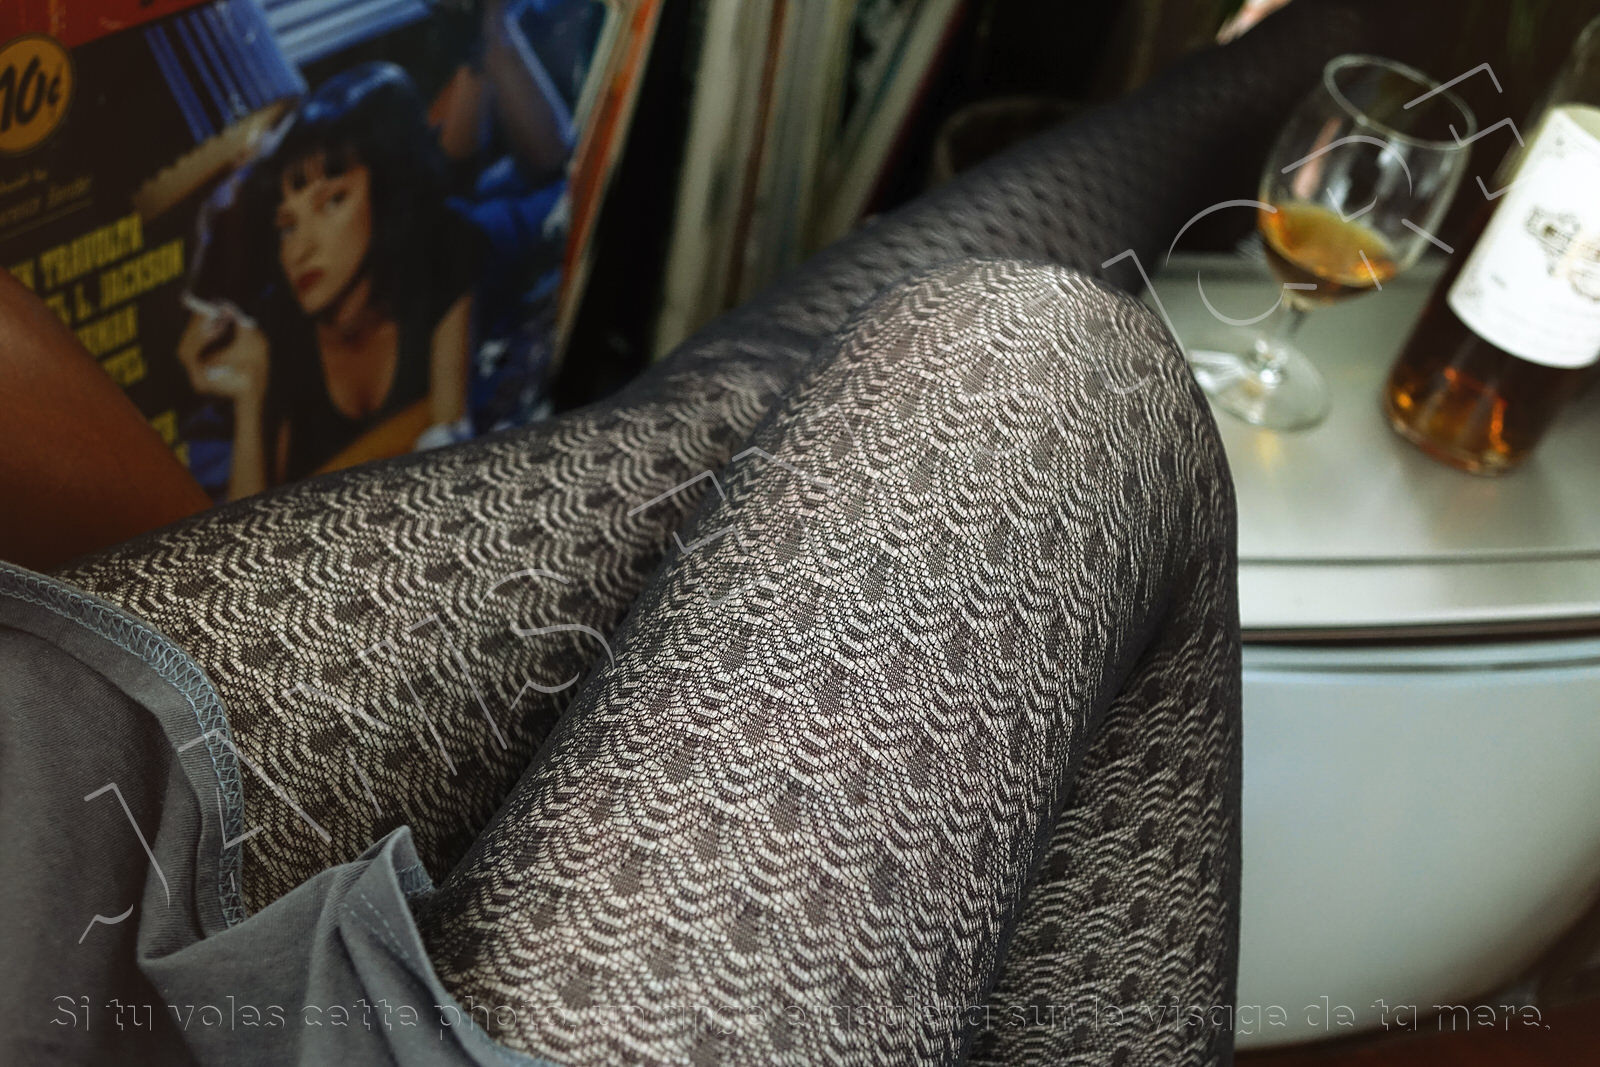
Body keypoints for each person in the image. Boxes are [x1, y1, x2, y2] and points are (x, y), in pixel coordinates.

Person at [179, 63, 486, 501]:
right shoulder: (279, 330)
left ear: (386, 192)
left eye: (331, 202)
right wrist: (250, 396)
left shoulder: (444, 255)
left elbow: (449, 440)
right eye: (288, 226)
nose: (300, 250)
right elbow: (249, 522)